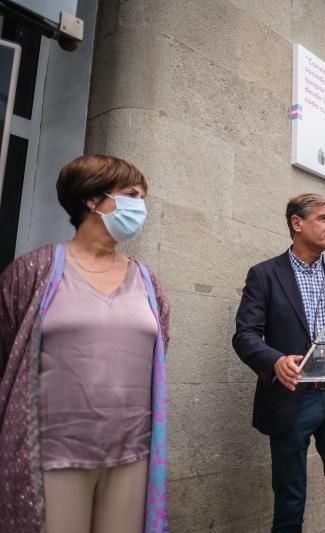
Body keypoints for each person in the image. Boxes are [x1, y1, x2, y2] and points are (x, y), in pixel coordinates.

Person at [0, 155, 170, 533]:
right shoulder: (32, 272)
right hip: (53, 454)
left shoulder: (148, 282)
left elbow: (158, 352)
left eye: (143, 197)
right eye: (130, 194)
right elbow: (9, 354)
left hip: (132, 453)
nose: (140, 206)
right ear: (92, 200)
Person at [232, 193, 325, 533]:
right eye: (324, 218)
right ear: (297, 223)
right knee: (290, 498)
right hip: (290, 398)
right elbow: (245, 335)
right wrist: (276, 360)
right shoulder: (264, 274)